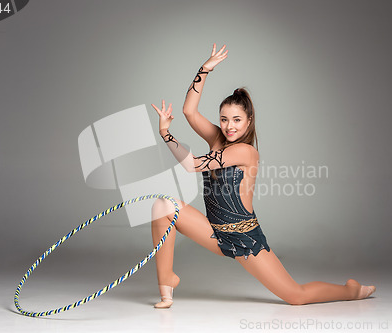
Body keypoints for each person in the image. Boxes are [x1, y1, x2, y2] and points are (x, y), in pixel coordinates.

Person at [150, 43, 376, 309]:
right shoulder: (217, 139)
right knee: (162, 206)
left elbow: (193, 165)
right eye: (224, 119)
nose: (229, 126)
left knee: (296, 296)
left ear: (248, 121)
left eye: (236, 120)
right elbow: (189, 111)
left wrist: (166, 134)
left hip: (245, 239)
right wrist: (205, 69)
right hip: (214, 232)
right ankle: (167, 284)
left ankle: (349, 291)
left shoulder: (245, 152)